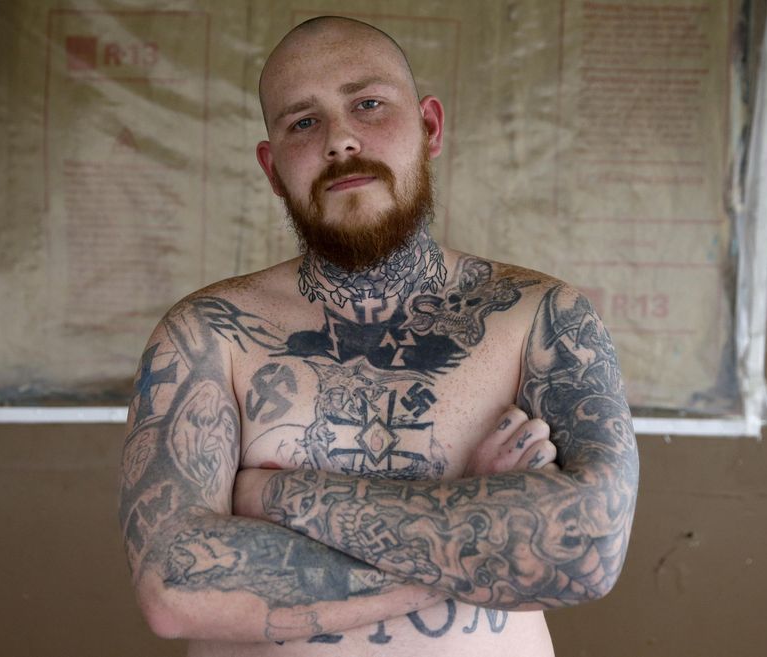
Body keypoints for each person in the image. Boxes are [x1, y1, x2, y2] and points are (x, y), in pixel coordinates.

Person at [118, 15, 639, 657]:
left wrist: (271, 495)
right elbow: (175, 587)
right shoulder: (209, 333)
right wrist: (470, 524)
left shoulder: (541, 317)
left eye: (368, 105)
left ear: (429, 128)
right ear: (272, 166)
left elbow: (587, 551)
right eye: (302, 121)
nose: (340, 140)